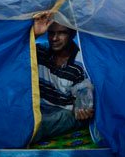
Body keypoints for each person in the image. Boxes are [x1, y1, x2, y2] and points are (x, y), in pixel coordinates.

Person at [31, 12, 94, 142]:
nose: (55, 38)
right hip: (40, 108)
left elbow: (82, 100)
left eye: (61, 33)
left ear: (72, 34)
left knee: (37, 125)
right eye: (51, 33)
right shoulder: (40, 52)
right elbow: (17, 51)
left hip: (65, 112)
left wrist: (82, 108)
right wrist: (36, 34)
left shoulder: (80, 64)